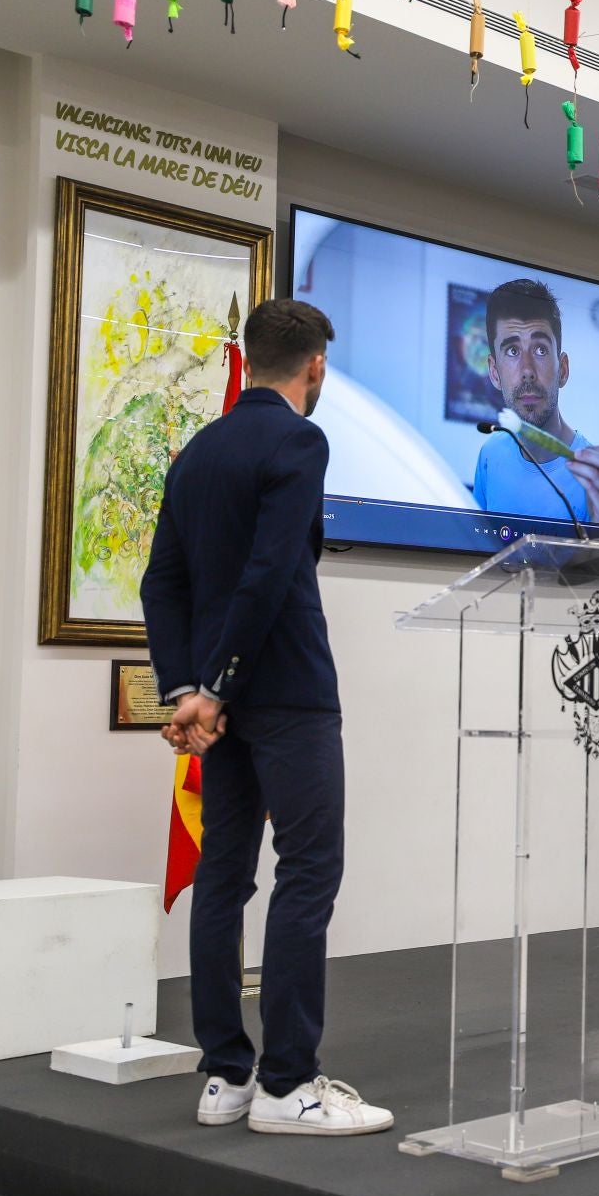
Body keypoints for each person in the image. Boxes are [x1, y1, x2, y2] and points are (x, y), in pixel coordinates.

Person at [139, 298, 393, 1136]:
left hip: (221, 705)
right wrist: (220, 683)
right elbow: (272, 572)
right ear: (315, 366)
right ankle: (289, 1085)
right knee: (308, 873)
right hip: (285, 694)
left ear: (247, 357)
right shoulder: (299, 439)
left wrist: (188, 688)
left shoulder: (196, 453)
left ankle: (226, 1075)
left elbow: (161, 585)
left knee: (224, 877)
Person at [470, 279, 599, 527]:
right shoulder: (489, 456)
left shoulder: (597, 481)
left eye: (540, 350)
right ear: (494, 372)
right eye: (512, 351)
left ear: (563, 369)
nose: (527, 371)